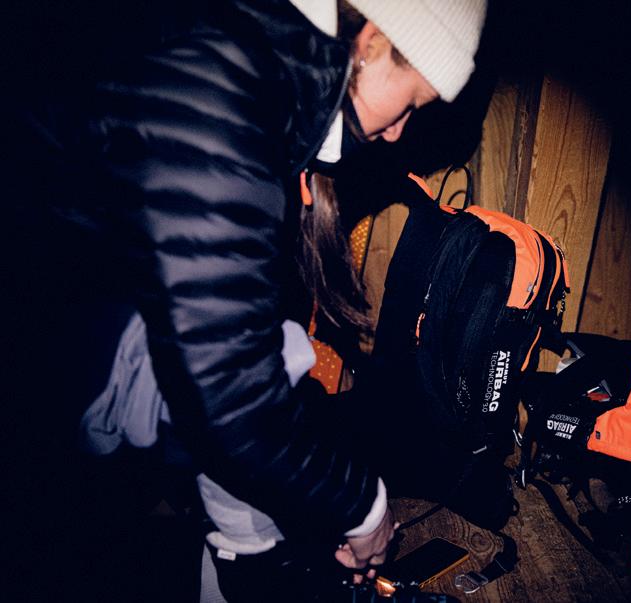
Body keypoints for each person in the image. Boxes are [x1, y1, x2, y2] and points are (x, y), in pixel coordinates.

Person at [1, 0, 488, 600]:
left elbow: (229, 331)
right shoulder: (219, 88)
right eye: (409, 103)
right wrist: (365, 508)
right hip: (36, 348)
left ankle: (246, 557)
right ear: (370, 40)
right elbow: (226, 391)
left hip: (70, 320)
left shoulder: (255, 71)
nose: (397, 132)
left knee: (277, 360)